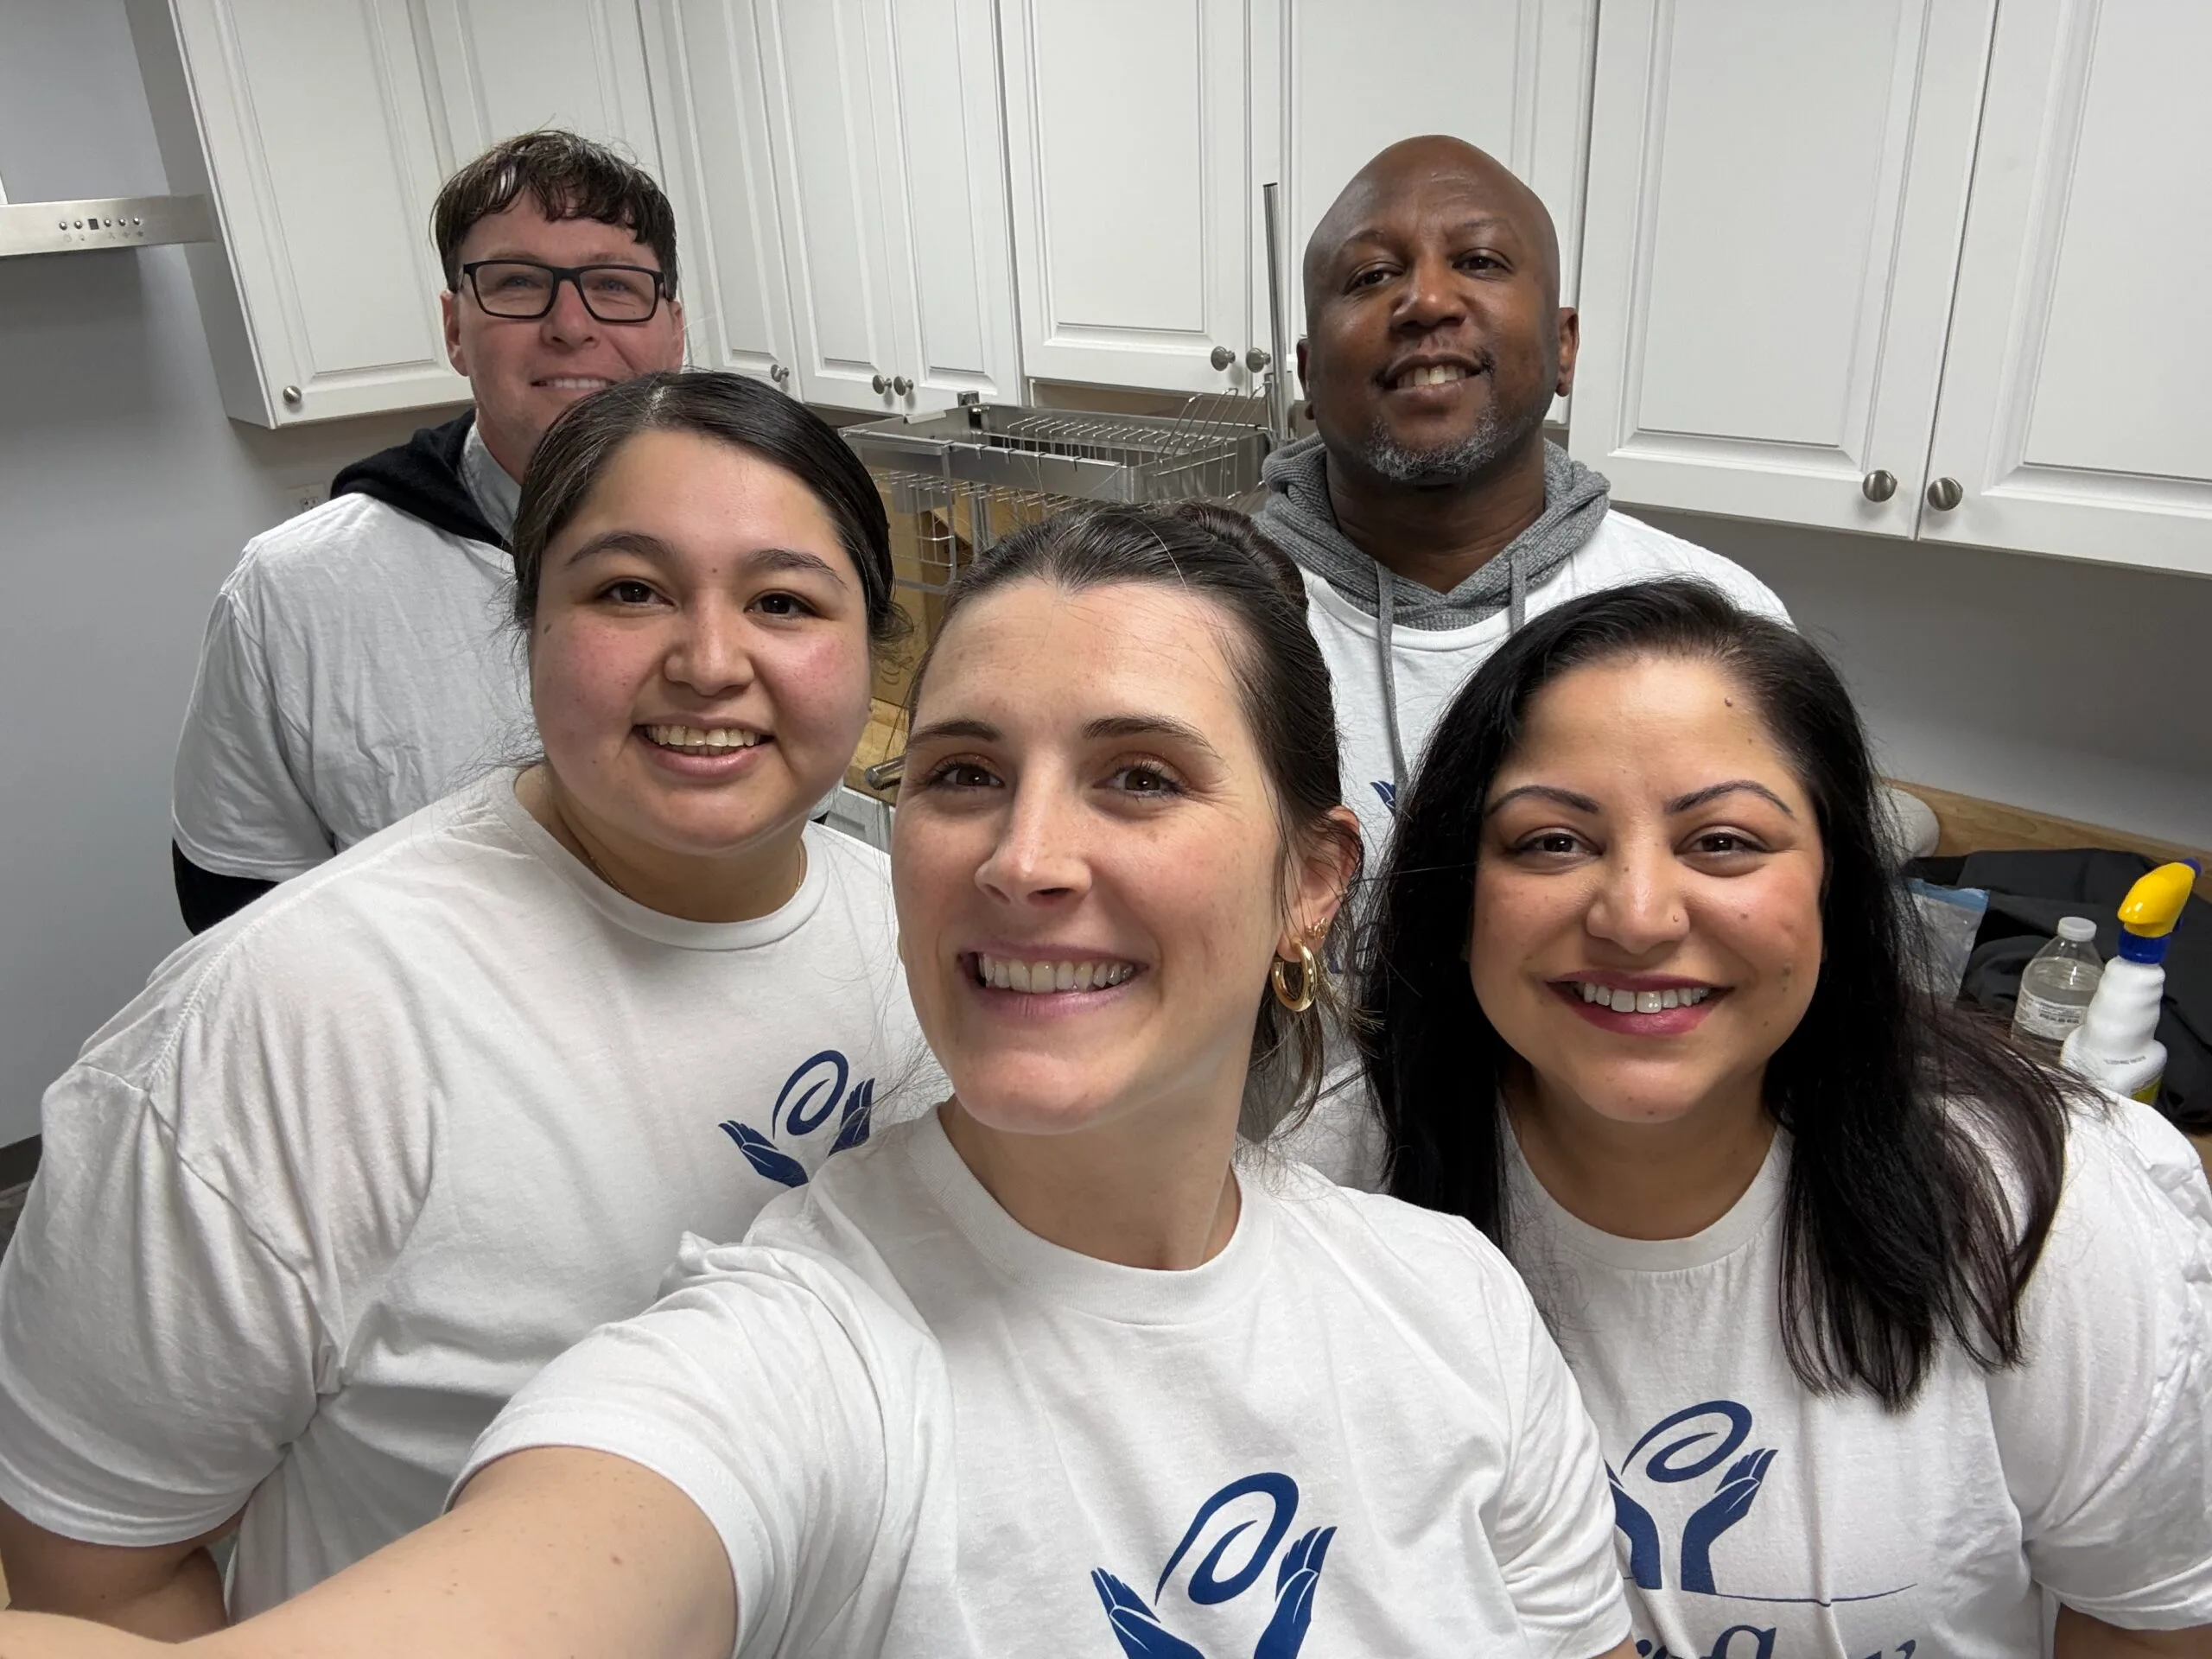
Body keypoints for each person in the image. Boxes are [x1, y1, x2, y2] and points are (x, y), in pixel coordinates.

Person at [0, 505, 1643, 1659]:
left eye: (1138, 777)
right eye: (963, 776)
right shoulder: (792, 1362)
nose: (1024, 858)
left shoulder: (1447, 1307)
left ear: (1309, 878)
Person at [0, 372, 929, 1634]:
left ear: (868, 647)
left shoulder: (921, 946)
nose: (711, 662)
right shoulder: (284, 1027)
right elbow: (92, 1575)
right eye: (627, 591)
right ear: (527, 622)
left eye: (781, 601)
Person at [1360, 579, 2212, 1657]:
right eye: (1549, 843)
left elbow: (2147, 1620)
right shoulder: (1345, 1176)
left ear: (1834, 887)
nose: (1634, 916)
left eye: (1721, 842)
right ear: (1457, 892)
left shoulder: (2043, 1207)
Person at [169, 129, 689, 931]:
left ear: (674, 329)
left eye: (615, 286)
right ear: (455, 329)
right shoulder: (294, 594)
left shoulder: (769, 558)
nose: (570, 324)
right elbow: (239, 902)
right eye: (518, 283)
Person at [1258, 137, 1790, 867]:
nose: (1427, 302)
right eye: (1373, 274)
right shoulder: (1205, 620)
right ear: (1309, 376)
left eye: (1479, 261)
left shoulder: (1718, 621)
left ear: (1564, 345)